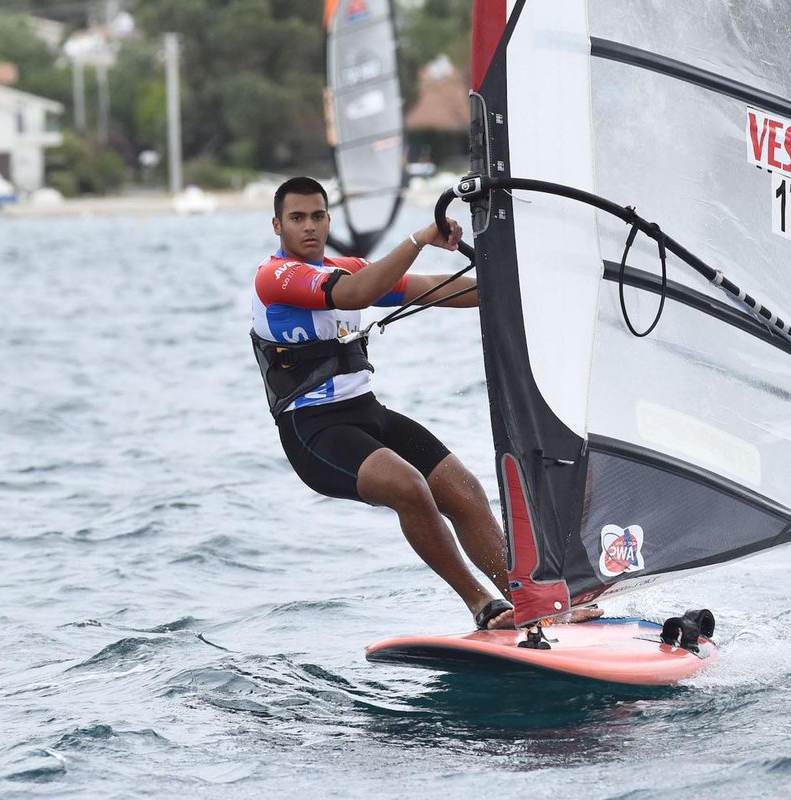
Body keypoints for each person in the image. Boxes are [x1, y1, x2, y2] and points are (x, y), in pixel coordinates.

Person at [251, 176, 599, 631]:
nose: (309, 226)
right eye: (297, 218)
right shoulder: (275, 276)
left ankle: (533, 600)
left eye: (317, 216)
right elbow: (354, 295)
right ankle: (483, 606)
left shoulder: (348, 265)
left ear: (329, 219)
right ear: (277, 225)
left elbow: (435, 288)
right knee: (409, 486)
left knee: (463, 489)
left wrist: (527, 290)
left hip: (366, 414)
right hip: (314, 432)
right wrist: (420, 239)